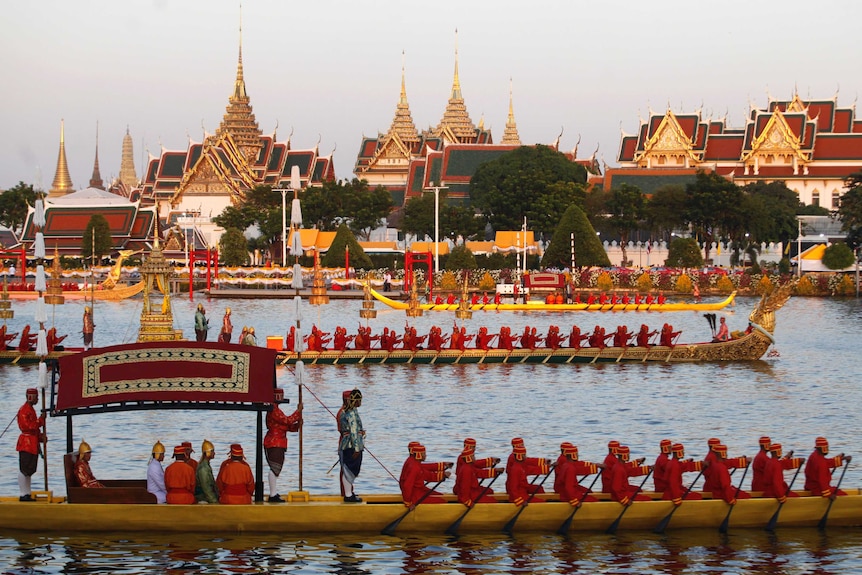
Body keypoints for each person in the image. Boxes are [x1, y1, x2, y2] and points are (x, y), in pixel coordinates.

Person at [264, 388, 302, 503]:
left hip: (278, 441)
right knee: (275, 468)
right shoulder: (273, 410)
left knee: (276, 468)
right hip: (274, 442)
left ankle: (273, 492)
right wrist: (298, 412)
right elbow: (287, 420)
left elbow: (286, 426)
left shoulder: (276, 410)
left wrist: (297, 426)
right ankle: (272, 494)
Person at [399, 443, 452, 508]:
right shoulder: (414, 467)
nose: (425, 456)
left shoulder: (414, 462)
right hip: (415, 496)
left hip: (418, 491)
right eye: (424, 454)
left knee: (440, 496)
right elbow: (407, 486)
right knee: (442, 501)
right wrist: (408, 503)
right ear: (419, 455)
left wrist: (442, 469)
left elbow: (425, 472)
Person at [453, 438, 502, 507]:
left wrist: (493, 466)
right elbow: (476, 467)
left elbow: (476, 469)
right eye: (473, 447)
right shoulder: (463, 460)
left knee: (490, 491)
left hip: (471, 489)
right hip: (467, 490)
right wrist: (466, 500)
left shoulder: (467, 462)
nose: (474, 449)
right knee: (493, 501)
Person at [16, 388, 45, 501]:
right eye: (36, 397)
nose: (37, 399)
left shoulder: (30, 409)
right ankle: (23, 493)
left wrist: (40, 436)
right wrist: (40, 421)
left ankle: (27, 492)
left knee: (30, 469)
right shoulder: (24, 410)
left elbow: (34, 429)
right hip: (26, 443)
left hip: (32, 442)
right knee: (24, 469)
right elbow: (28, 426)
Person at [506, 438, 551, 506]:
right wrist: (519, 501)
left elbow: (527, 468)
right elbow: (528, 465)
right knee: (542, 502)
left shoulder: (518, 461)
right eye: (522, 444)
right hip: (518, 492)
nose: (523, 446)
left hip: (522, 488)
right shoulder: (514, 461)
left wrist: (545, 467)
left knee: (539, 489)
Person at [338, 388, 365, 502]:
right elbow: (353, 431)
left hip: (345, 443)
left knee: (347, 468)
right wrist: (357, 448)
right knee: (349, 469)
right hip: (351, 444)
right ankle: (348, 495)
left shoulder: (343, 412)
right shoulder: (351, 413)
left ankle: (348, 493)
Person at [195, 439, 219, 504]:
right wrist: (214, 501)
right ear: (208, 452)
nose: (214, 453)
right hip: (203, 498)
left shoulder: (206, 466)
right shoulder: (203, 468)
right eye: (212, 451)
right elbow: (206, 488)